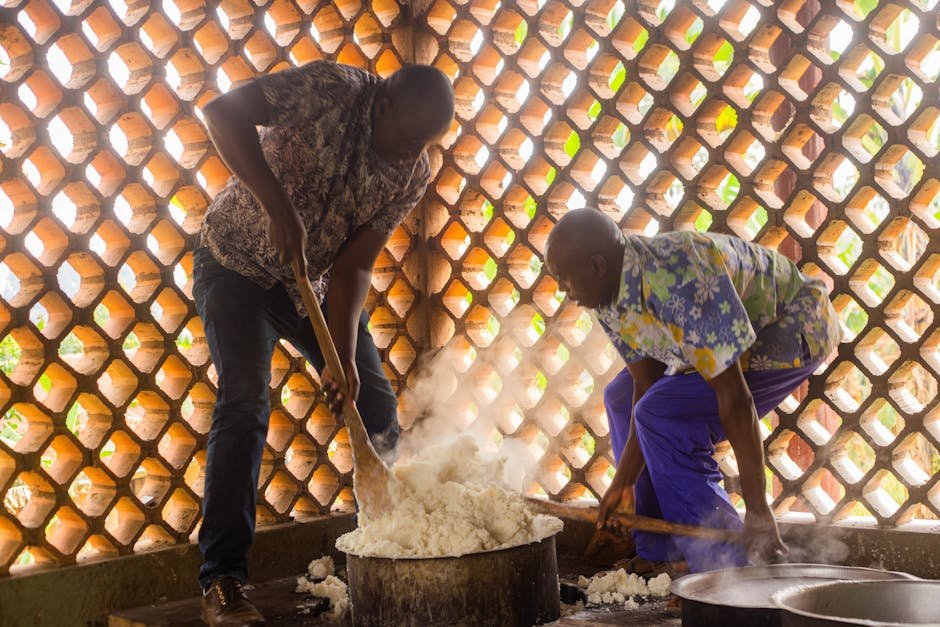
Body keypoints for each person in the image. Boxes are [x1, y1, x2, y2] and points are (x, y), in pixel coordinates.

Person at [193, 60, 454, 625]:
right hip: (234, 265)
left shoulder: (413, 172)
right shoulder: (331, 91)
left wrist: (339, 354)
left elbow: (356, 265)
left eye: (425, 145)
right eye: (409, 138)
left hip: (306, 285)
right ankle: (223, 582)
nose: (414, 154)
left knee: (375, 405)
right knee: (244, 402)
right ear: (383, 105)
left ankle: (398, 549)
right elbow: (221, 114)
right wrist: (276, 206)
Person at [544, 208, 840, 575]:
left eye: (563, 278)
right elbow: (643, 384)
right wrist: (624, 483)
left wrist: (759, 507)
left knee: (663, 415)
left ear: (597, 265)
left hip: (790, 328)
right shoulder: (605, 294)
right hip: (715, 342)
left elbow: (736, 399)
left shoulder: (679, 278)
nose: (561, 290)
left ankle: (726, 569)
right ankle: (660, 549)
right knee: (622, 398)